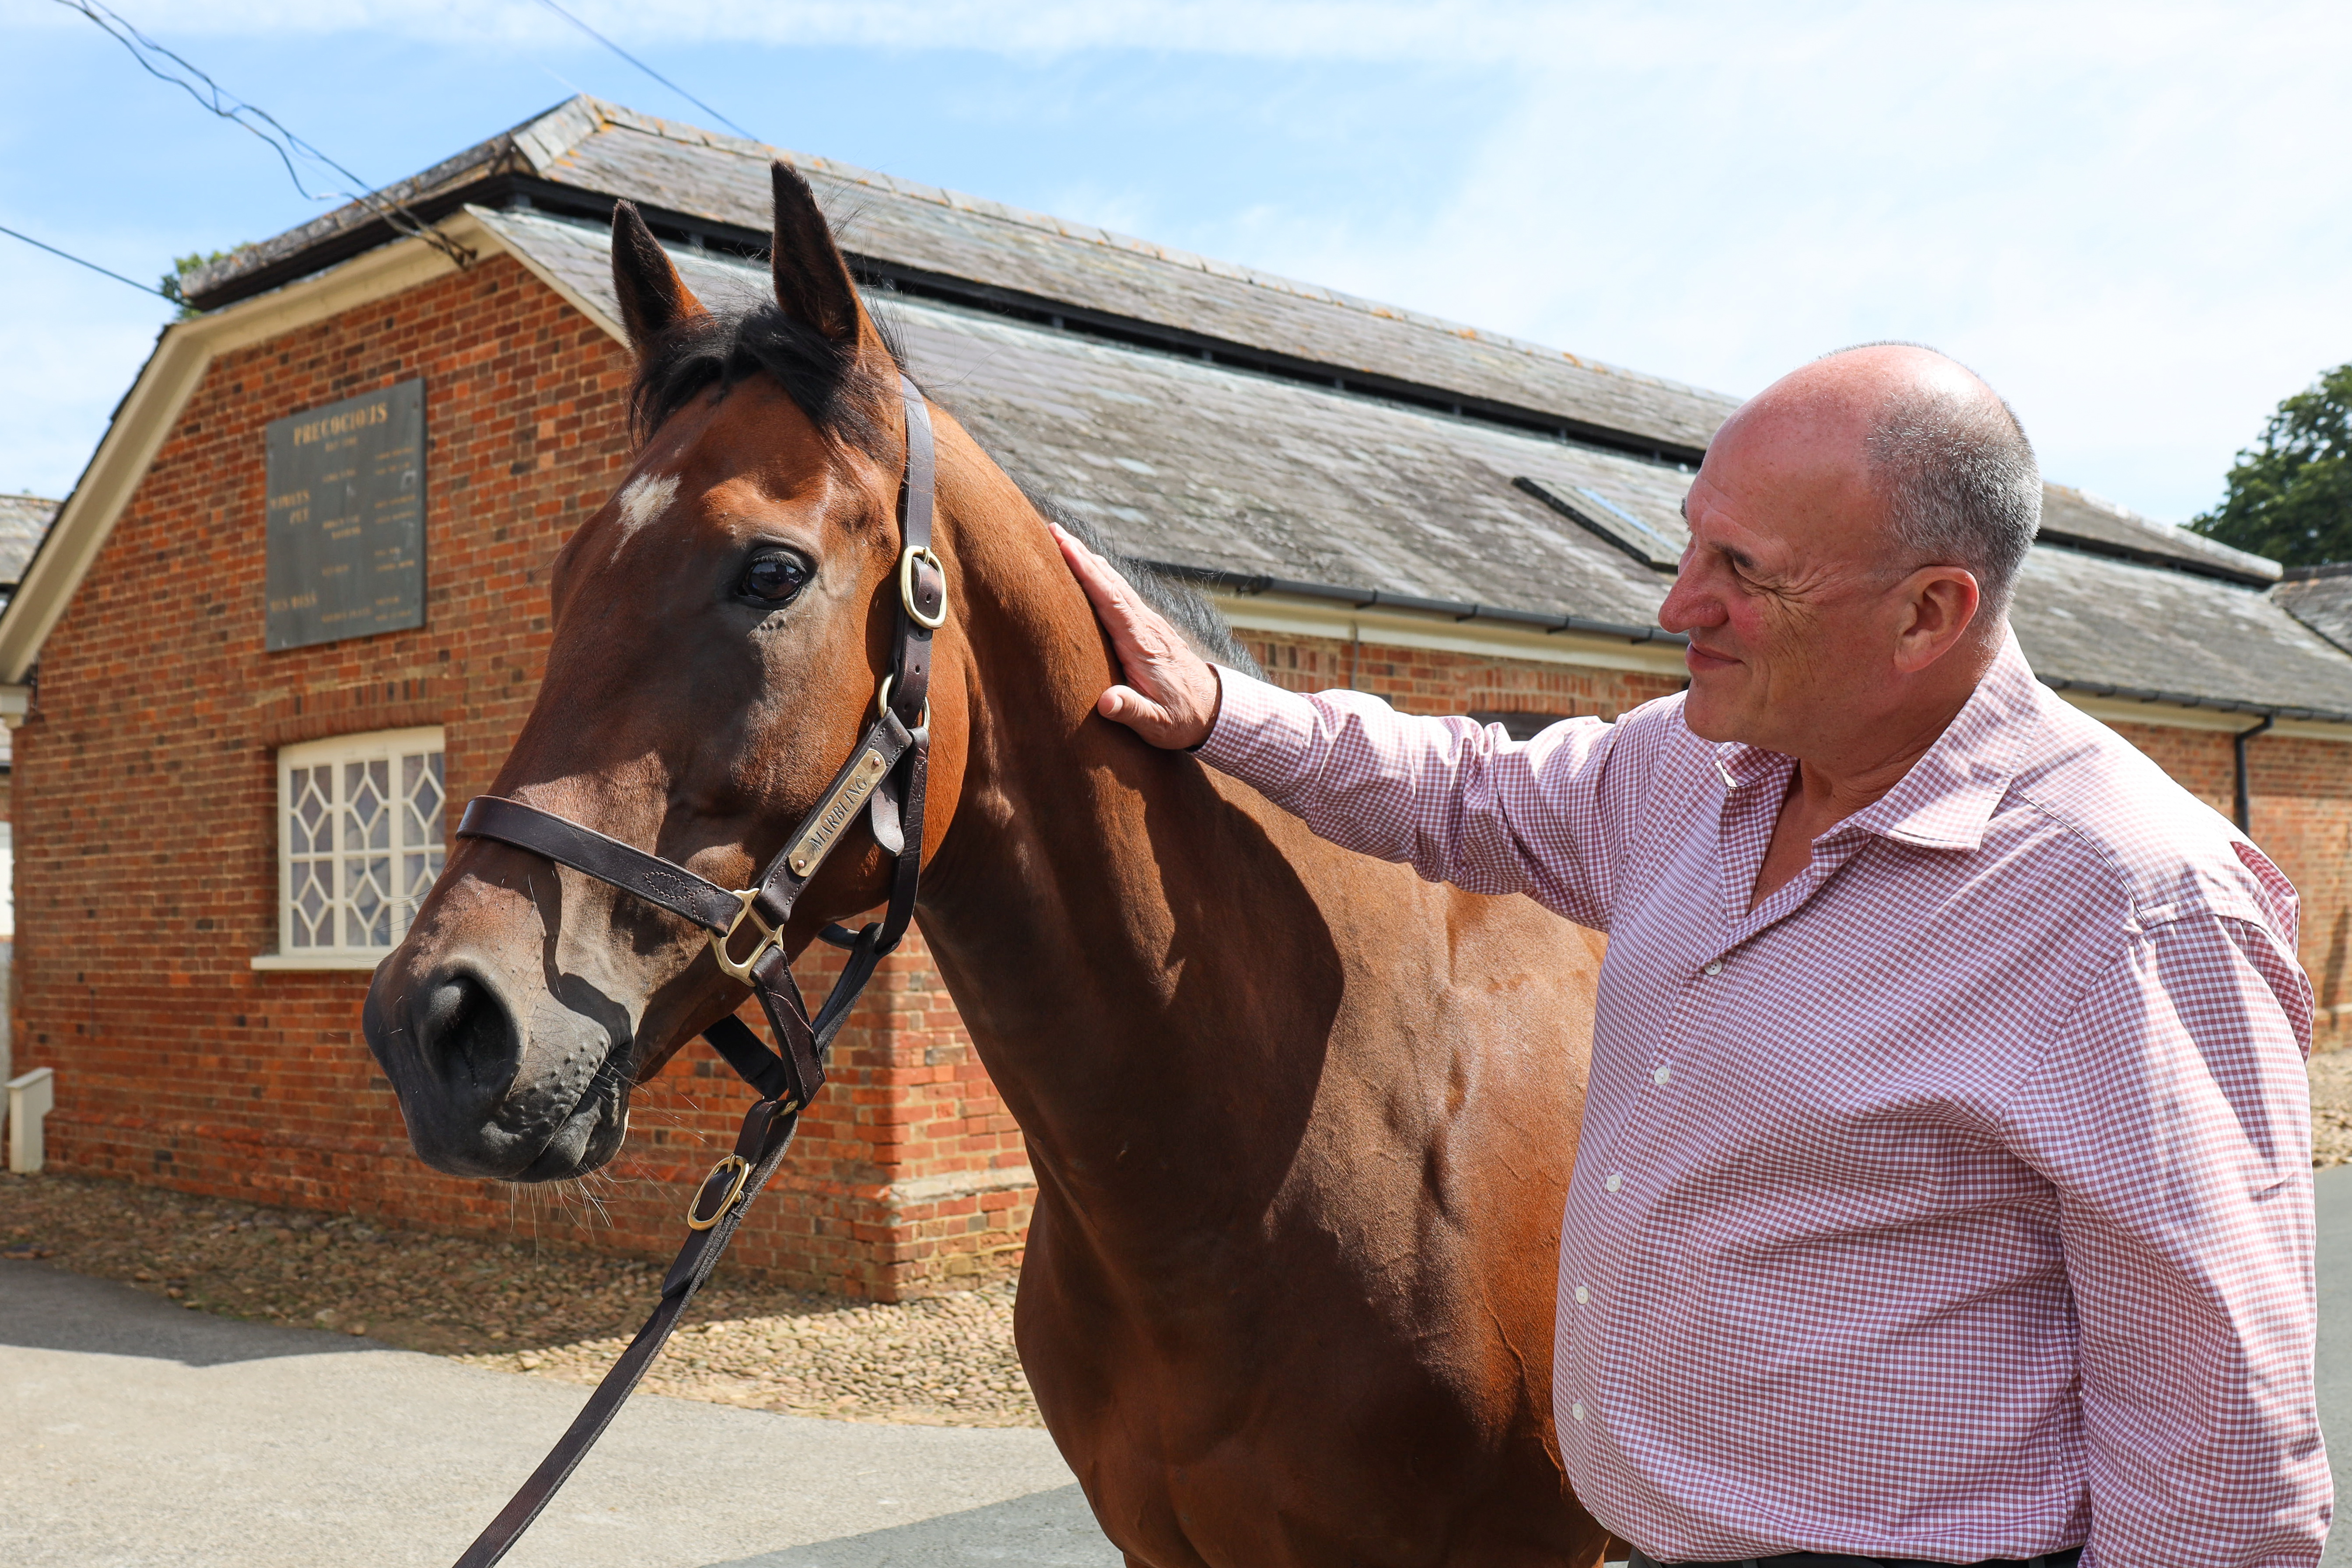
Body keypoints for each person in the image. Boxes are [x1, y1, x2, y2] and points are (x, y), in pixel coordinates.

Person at [1051, 343, 2329, 1568]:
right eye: (1686, 540)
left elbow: (2218, 1448)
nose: (1677, 606)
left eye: (1742, 570)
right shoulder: (1695, 766)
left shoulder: (2129, 906)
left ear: (1927, 612)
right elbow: (1463, 789)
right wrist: (1224, 705)